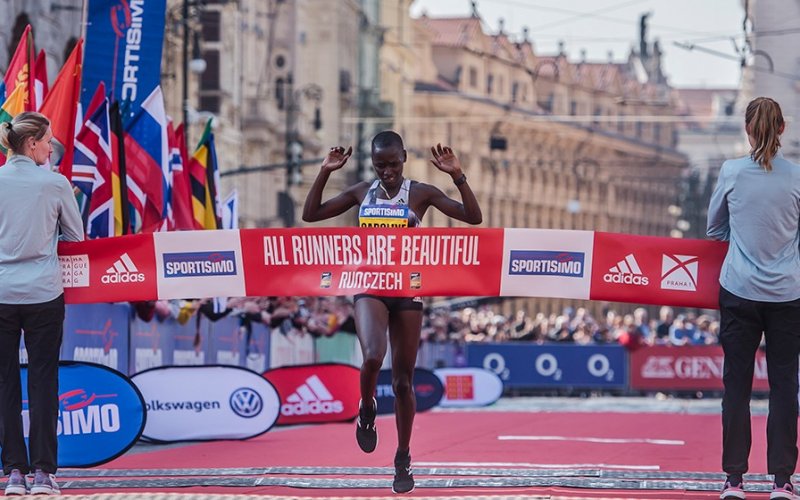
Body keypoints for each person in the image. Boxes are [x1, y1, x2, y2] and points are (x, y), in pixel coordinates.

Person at [302, 131, 481, 494]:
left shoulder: (421, 193)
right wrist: (324, 171)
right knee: (371, 356)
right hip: (369, 286)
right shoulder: (360, 192)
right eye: (380, 165)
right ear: (372, 162)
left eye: (393, 164)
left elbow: (472, 218)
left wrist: (457, 177)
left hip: (409, 289)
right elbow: (311, 214)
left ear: (404, 158)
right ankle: (366, 407)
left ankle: (403, 456)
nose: (387, 172)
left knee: (402, 382)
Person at [707, 97, 800, 500]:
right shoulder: (797, 177)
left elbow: (714, 229)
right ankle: (782, 480)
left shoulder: (731, 172)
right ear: (782, 129)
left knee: (737, 387)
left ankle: (734, 480)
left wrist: (743, 243)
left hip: (740, 290)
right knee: (784, 387)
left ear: (748, 129)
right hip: (788, 293)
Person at [0, 112, 84, 496]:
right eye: (49, 141)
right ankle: (43, 475)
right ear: (31, 143)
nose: (52, 148)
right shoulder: (55, 183)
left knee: (3, 383)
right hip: (43, 294)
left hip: (0, 292)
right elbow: (75, 235)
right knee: (43, 381)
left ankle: (13, 472)